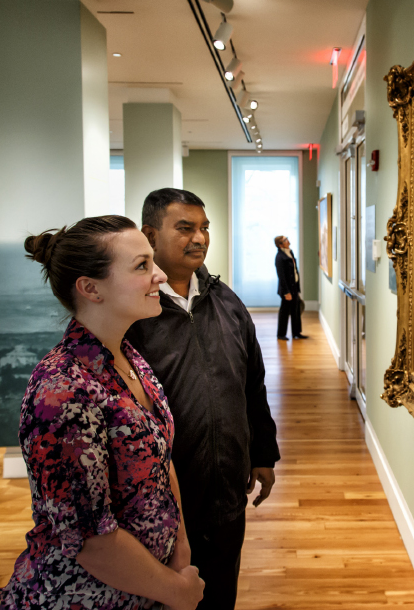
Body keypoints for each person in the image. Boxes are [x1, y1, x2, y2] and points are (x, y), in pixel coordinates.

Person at [0, 215, 204, 610]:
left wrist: (180, 552)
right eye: (142, 266)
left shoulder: (127, 358)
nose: (160, 275)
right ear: (91, 288)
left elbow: (160, 459)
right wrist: (177, 591)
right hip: (83, 597)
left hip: (149, 585)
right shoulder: (62, 391)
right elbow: (90, 539)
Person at [126, 189, 280, 610]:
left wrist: (262, 454)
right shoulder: (133, 313)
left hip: (227, 491)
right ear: (150, 234)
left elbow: (253, 385)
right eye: (186, 228)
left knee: (219, 594)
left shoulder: (227, 302)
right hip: (159, 501)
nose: (200, 238)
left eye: (204, 228)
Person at [274, 235, 307, 341]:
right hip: (287, 289)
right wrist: (286, 292)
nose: (288, 241)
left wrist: (297, 288)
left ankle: (296, 333)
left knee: (296, 310)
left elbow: (294, 271)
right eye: (285, 240)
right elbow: (281, 276)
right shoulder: (279, 257)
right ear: (280, 244)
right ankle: (281, 334)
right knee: (284, 312)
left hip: (294, 287)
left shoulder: (289, 252)